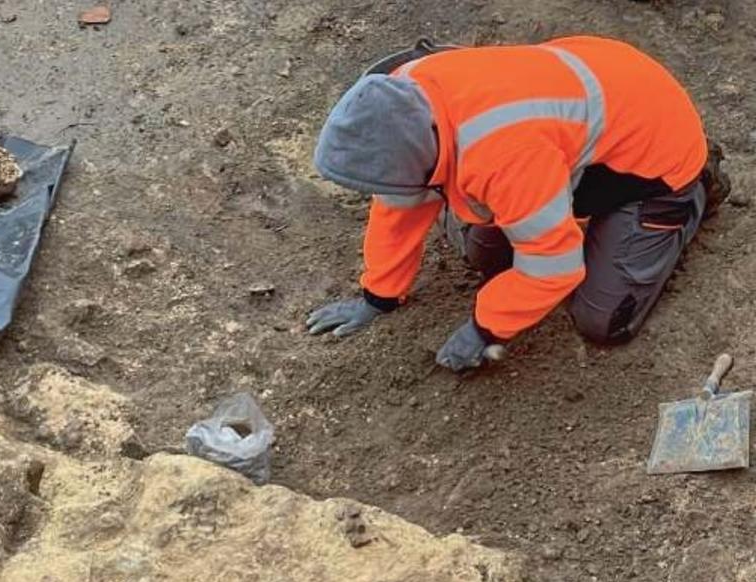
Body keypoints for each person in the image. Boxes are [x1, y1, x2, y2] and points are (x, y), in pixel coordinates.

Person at [306, 36, 730, 371]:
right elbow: (399, 205)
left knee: (602, 322)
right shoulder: (398, 98)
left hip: (656, 153)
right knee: (485, 253)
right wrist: (378, 295)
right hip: (601, 89)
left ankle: (697, 183)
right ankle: (574, 204)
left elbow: (555, 267)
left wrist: (485, 328)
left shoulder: (504, 156)